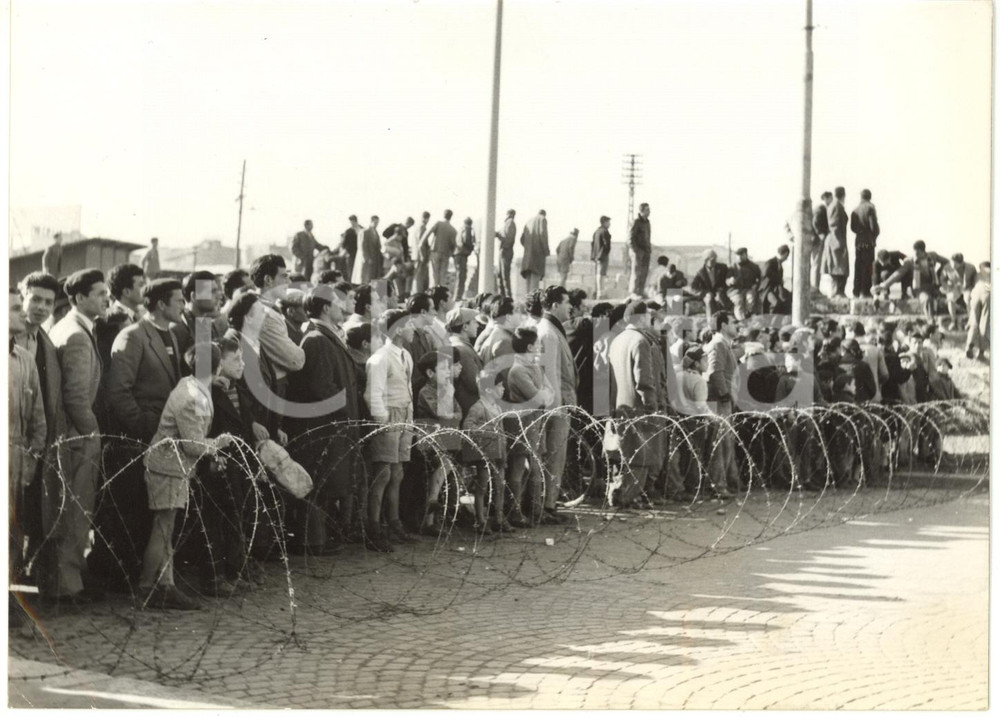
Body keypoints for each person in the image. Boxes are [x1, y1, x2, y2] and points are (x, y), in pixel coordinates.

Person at [140, 343, 234, 610]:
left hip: (173, 467)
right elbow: (194, 444)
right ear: (215, 367)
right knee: (163, 529)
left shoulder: (195, 388)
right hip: (167, 468)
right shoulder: (194, 396)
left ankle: (165, 586)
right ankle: (147, 588)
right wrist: (219, 445)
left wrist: (212, 451)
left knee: (165, 529)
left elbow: (197, 437)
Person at [47, 268, 109, 604]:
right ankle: (67, 585)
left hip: (72, 435)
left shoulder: (75, 329)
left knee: (71, 508)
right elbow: (75, 397)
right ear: (79, 297)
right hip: (77, 437)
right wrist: (92, 432)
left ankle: (70, 578)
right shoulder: (75, 335)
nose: (105, 298)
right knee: (74, 509)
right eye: (99, 293)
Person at [287, 287, 360, 553]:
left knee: (326, 482)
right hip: (323, 425)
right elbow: (320, 386)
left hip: (333, 423)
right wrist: (345, 410)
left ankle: (318, 538)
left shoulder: (323, 336)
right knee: (318, 482)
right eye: (338, 304)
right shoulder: (317, 339)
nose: (343, 308)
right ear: (326, 308)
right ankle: (312, 541)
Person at [14, 272, 66, 599]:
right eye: (36, 300)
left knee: (27, 518)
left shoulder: (42, 341)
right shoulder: (12, 338)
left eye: (48, 302)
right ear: (22, 297)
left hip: (32, 447)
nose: (42, 308)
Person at [9, 287, 47, 621]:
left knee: (14, 530)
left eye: (21, 307)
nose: (22, 313)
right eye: (14, 308)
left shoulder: (24, 359)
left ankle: (11, 597)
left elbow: (37, 414)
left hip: (18, 459)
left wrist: (33, 454)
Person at [364, 308, 416, 552]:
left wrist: (410, 419)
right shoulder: (381, 358)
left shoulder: (406, 355)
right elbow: (372, 393)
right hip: (389, 417)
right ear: (397, 330)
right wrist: (383, 420)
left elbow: (408, 388)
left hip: (404, 416)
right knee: (382, 474)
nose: (413, 328)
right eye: (409, 324)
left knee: (398, 473)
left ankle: (393, 522)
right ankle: (373, 527)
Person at [607, 301, 658, 508]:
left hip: (620, 405)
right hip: (638, 407)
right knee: (640, 457)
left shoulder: (617, 340)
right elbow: (644, 379)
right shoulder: (640, 341)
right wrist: (651, 407)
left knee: (624, 453)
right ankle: (626, 496)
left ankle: (619, 492)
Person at [535, 285, 577, 524]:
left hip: (558, 404)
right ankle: (547, 505)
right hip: (555, 407)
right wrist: (557, 408)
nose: (570, 306)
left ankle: (548, 502)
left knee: (554, 455)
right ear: (553, 305)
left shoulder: (552, 330)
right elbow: (551, 374)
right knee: (553, 455)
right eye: (566, 301)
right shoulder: (549, 333)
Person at [504, 327, 553, 526]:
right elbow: (540, 396)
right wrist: (543, 395)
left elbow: (549, 396)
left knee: (534, 467)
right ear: (530, 346)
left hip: (535, 421)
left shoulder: (534, 367)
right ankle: (514, 511)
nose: (541, 348)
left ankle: (534, 509)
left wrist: (544, 396)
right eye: (538, 345)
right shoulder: (518, 371)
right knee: (519, 467)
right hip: (522, 424)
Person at [413, 348, 464, 536]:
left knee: (444, 474)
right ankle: (429, 518)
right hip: (432, 441)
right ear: (430, 373)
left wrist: (450, 413)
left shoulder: (445, 390)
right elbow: (442, 412)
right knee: (438, 473)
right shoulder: (427, 392)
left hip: (447, 439)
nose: (448, 372)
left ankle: (436, 516)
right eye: (443, 369)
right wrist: (448, 399)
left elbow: (458, 413)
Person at [461, 372, 510, 532]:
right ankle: (480, 520)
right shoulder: (479, 407)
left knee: (500, 486)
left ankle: (499, 518)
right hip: (485, 454)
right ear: (489, 389)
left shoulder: (496, 407)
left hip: (499, 453)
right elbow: (467, 426)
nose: (503, 389)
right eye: (500, 385)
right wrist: (487, 431)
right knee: (483, 486)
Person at [705, 310, 740, 496]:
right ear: (724, 325)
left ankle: (724, 483)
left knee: (725, 444)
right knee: (720, 444)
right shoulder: (718, 344)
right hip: (719, 402)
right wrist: (724, 394)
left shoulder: (724, 345)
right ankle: (717, 485)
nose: (737, 326)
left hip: (724, 401)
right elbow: (714, 371)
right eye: (733, 322)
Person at [872, 240, 947, 321]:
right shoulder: (910, 261)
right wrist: (884, 285)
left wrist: (942, 276)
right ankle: (930, 321)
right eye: (914, 253)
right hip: (920, 288)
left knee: (947, 299)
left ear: (923, 251)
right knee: (927, 300)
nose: (916, 255)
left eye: (918, 253)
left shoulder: (933, 255)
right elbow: (898, 274)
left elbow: (948, 262)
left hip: (933, 286)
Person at [446, 306, 483, 416]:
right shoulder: (462, 349)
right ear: (465, 327)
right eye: (474, 322)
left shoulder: (457, 345)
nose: (477, 325)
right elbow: (474, 383)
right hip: (470, 408)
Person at [850, 189, 881, 298]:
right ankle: (865, 292)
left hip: (858, 241)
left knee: (858, 265)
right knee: (868, 267)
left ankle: (856, 292)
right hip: (868, 240)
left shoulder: (855, 210)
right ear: (870, 197)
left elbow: (852, 228)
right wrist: (875, 234)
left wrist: (860, 233)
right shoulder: (870, 207)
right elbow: (873, 227)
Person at [821, 188, 849, 296]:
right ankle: (838, 293)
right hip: (836, 241)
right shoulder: (836, 206)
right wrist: (838, 241)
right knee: (838, 269)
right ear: (843, 195)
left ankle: (838, 292)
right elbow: (834, 225)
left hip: (836, 240)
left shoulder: (834, 205)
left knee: (838, 268)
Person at [939, 253, 978, 331]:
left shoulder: (971, 267)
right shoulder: (947, 267)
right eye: (951, 263)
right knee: (950, 299)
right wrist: (947, 285)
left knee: (968, 299)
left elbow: (975, 281)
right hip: (954, 287)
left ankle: (970, 321)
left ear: (961, 263)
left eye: (955, 264)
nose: (953, 266)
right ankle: (953, 321)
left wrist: (973, 289)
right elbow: (942, 279)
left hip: (967, 287)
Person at [690, 250, 732, 321]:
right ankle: (712, 325)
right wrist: (705, 293)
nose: (714, 262)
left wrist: (723, 288)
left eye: (715, 259)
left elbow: (729, 277)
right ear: (706, 260)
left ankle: (729, 319)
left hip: (721, 292)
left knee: (722, 299)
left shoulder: (722, 268)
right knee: (709, 300)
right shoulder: (701, 273)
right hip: (707, 293)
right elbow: (693, 288)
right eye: (712, 260)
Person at [727, 247, 762, 320]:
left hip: (749, 288)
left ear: (746, 255)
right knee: (739, 301)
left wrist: (756, 285)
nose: (739, 257)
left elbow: (760, 279)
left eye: (741, 255)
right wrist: (730, 281)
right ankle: (741, 320)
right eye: (737, 255)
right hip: (735, 290)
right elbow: (726, 280)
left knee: (750, 298)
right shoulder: (732, 267)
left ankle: (748, 317)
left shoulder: (754, 267)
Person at [520, 210, 550, 293]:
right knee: (534, 286)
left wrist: (528, 248)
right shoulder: (542, 219)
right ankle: (532, 304)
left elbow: (522, 239)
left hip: (527, 258)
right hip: (537, 255)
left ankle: (528, 304)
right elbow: (542, 234)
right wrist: (546, 250)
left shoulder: (528, 221)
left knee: (528, 286)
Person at [965, 261, 990, 360]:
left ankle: (968, 346)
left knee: (974, 323)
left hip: (975, 294)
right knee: (984, 324)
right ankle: (981, 352)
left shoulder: (977, 274)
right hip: (987, 294)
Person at [427, 210, 458, 289]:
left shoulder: (438, 224)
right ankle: (439, 294)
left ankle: (432, 294)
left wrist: (424, 247)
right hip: (446, 254)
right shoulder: (453, 230)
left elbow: (427, 235)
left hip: (435, 252)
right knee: (442, 277)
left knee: (434, 275)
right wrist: (450, 253)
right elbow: (454, 245)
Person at [759, 245, 791, 315]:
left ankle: (778, 322)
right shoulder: (770, 262)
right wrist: (778, 280)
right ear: (785, 254)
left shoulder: (779, 265)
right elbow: (766, 273)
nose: (786, 258)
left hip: (775, 289)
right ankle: (770, 322)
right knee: (776, 303)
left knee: (788, 300)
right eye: (787, 256)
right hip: (767, 290)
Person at [628, 203, 652, 299]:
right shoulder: (636, 222)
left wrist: (648, 250)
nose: (649, 212)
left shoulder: (647, 223)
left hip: (646, 251)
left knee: (644, 272)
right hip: (638, 252)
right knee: (637, 273)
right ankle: (634, 292)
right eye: (647, 210)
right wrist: (636, 251)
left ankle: (640, 291)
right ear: (641, 211)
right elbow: (630, 238)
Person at [810, 191, 831, 290]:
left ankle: (815, 287)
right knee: (816, 264)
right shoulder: (821, 208)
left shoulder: (820, 208)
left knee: (816, 264)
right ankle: (815, 287)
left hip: (816, 239)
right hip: (817, 240)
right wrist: (820, 233)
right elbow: (815, 221)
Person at [496, 209, 517, 297]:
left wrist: (500, 238)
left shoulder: (510, 222)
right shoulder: (508, 223)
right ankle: (503, 297)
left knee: (504, 276)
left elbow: (509, 238)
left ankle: (507, 297)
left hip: (506, 251)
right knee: (500, 275)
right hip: (504, 250)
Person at [454, 217, 477, 300]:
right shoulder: (467, 229)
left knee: (460, 275)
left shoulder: (461, 229)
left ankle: (458, 296)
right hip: (461, 255)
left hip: (458, 254)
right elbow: (467, 240)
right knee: (462, 276)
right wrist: (472, 247)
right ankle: (458, 297)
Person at [591, 216, 612, 300]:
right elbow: (606, 244)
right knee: (602, 275)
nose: (609, 224)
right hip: (603, 255)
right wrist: (606, 252)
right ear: (604, 222)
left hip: (597, 256)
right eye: (608, 222)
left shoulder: (596, 232)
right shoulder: (604, 231)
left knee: (598, 275)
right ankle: (601, 294)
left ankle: (597, 293)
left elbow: (593, 245)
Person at [359, 216, 383, 285]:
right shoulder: (366, 232)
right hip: (369, 258)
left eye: (377, 223)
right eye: (375, 223)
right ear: (371, 221)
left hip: (376, 258)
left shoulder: (376, 232)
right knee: (367, 277)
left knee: (375, 277)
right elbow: (363, 246)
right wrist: (367, 257)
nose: (376, 224)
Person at [337, 215, 362, 282]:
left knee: (360, 273)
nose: (351, 223)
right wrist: (348, 251)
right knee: (351, 272)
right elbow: (344, 244)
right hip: (352, 255)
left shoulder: (362, 229)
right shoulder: (348, 231)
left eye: (352, 221)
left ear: (355, 221)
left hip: (361, 255)